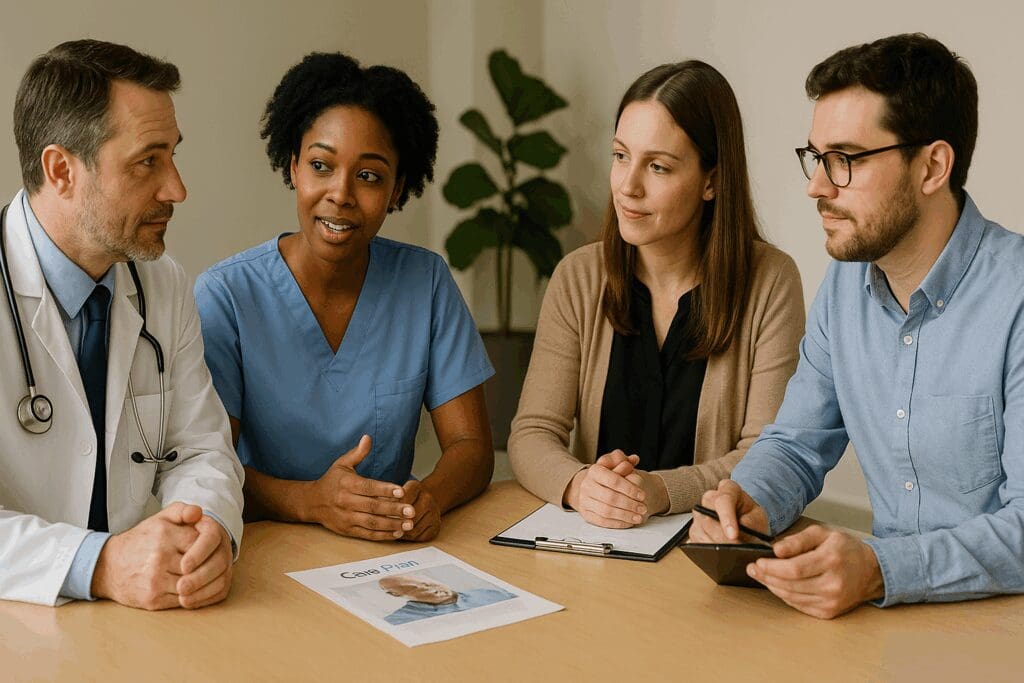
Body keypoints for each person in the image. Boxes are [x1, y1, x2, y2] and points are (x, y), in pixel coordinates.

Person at [690, 33, 1024, 618]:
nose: (816, 186)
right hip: (886, 624)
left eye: (844, 159)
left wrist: (879, 568)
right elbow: (796, 444)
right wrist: (747, 501)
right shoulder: (846, 286)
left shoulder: (1015, 297)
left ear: (933, 166)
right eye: (815, 157)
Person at [194, 52, 493, 543]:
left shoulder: (426, 282)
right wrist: (310, 501)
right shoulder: (226, 296)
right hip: (267, 549)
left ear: (398, 190)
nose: (341, 193)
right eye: (321, 165)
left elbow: (471, 445)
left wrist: (428, 498)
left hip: (387, 549)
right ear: (293, 167)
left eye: (370, 176)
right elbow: (204, 468)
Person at [0, 40, 244, 609]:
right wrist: (99, 564)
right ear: (61, 169)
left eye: (173, 156)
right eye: (147, 161)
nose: (177, 189)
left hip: (149, 620)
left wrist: (207, 534)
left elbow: (203, 448)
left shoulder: (163, 285)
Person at [508, 61, 804, 527]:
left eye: (658, 166)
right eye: (621, 155)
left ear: (712, 181)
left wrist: (661, 490)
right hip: (597, 545)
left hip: (706, 544)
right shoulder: (578, 277)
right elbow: (531, 434)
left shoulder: (770, 282)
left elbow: (766, 455)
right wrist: (581, 485)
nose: (628, 186)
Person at [379, 574, 515, 626]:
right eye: (414, 588)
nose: (431, 589)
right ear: (396, 595)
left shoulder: (488, 593)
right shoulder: (398, 621)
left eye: (427, 583)